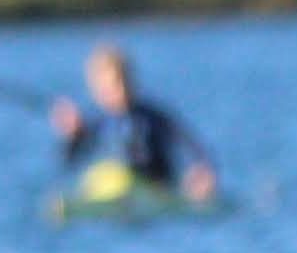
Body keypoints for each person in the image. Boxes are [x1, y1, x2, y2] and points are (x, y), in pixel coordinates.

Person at [48, 46, 218, 204]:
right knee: (100, 175)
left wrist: (201, 171)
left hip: (155, 186)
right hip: (112, 188)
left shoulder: (152, 116)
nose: (121, 90)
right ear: (96, 90)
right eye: (113, 85)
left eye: (125, 82)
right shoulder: (95, 124)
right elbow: (68, 161)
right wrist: (72, 135)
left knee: (120, 177)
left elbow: (189, 143)